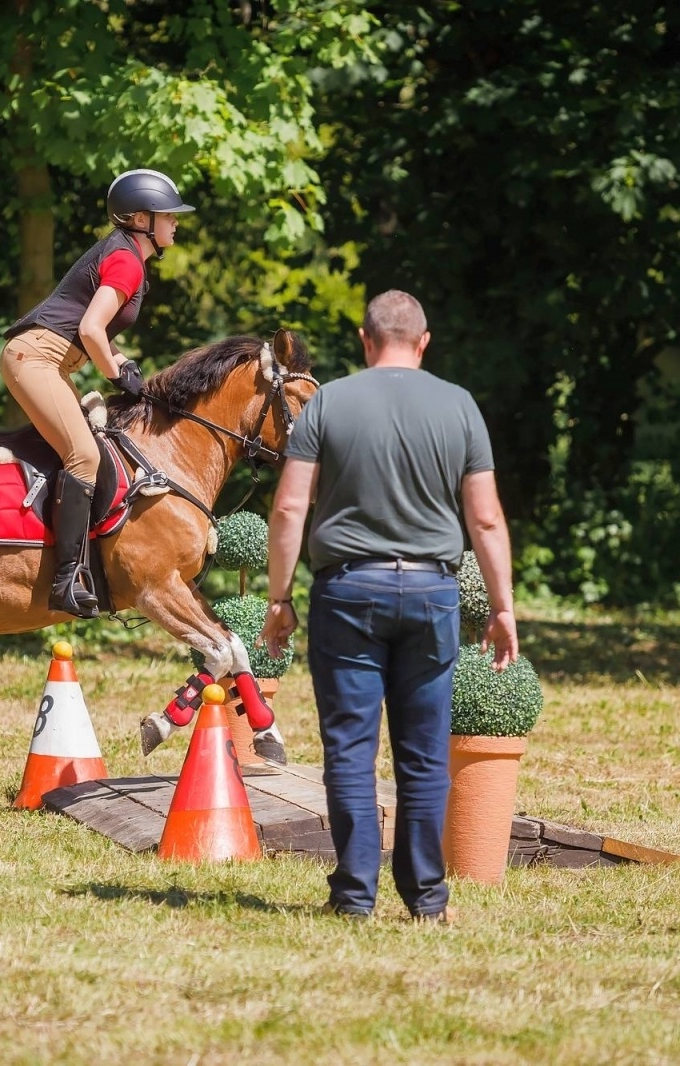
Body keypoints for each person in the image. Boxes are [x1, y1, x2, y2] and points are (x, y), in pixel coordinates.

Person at [258, 289, 519, 922]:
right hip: (432, 594)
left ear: (364, 338)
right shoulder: (458, 405)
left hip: (347, 590)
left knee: (350, 747)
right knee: (423, 752)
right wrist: (503, 607)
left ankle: (353, 897)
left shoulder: (330, 402)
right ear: (423, 341)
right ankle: (428, 901)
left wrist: (278, 597)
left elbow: (291, 506)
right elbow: (484, 519)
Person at [1, 169, 195, 617]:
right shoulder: (126, 260)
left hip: (48, 357)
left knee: (92, 446)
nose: (176, 223)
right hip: (37, 358)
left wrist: (122, 363)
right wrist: (113, 373)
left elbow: (90, 331)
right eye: (169, 215)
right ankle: (66, 579)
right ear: (142, 219)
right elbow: (90, 329)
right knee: (83, 457)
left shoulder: (126, 254)